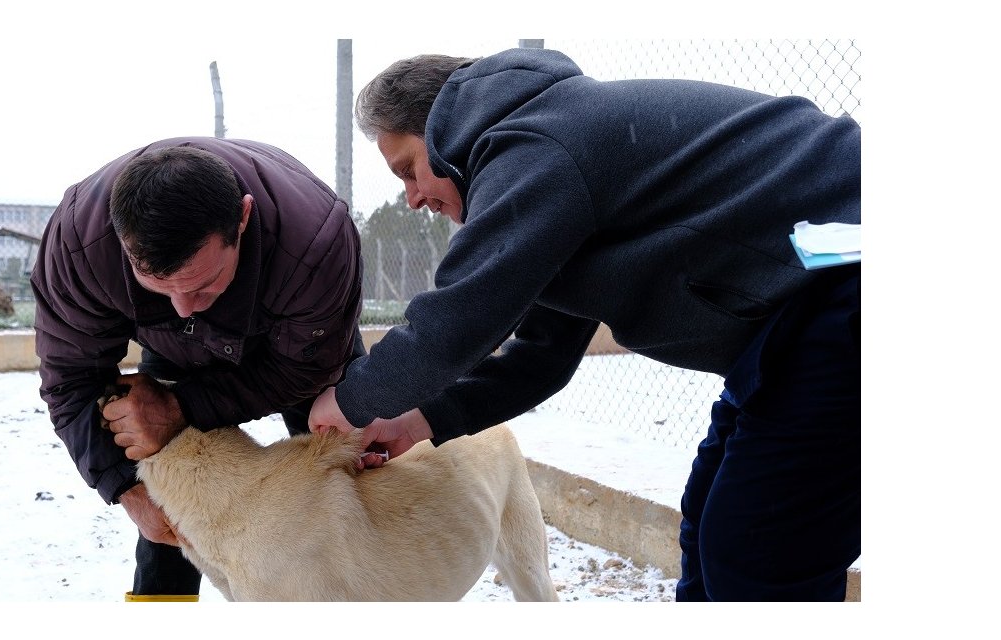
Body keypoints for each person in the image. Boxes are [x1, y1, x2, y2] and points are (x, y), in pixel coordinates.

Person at [308, 47, 860, 601]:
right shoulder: (550, 164)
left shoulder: (533, 147)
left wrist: (352, 399)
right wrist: (419, 421)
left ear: (442, 128)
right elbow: (541, 357)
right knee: (712, 520)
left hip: (844, 278)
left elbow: (452, 322)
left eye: (408, 169)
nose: (411, 199)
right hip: (795, 319)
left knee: (757, 551)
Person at [31, 137, 365, 602]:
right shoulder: (80, 245)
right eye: (159, 286)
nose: (185, 307)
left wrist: (181, 406)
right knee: (169, 497)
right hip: (173, 348)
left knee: (356, 470)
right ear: (120, 239)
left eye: (204, 285)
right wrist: (127, 488)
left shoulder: (314, 242)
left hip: (299, 351)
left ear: (242, 219)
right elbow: (70, 379)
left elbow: (302, 372)